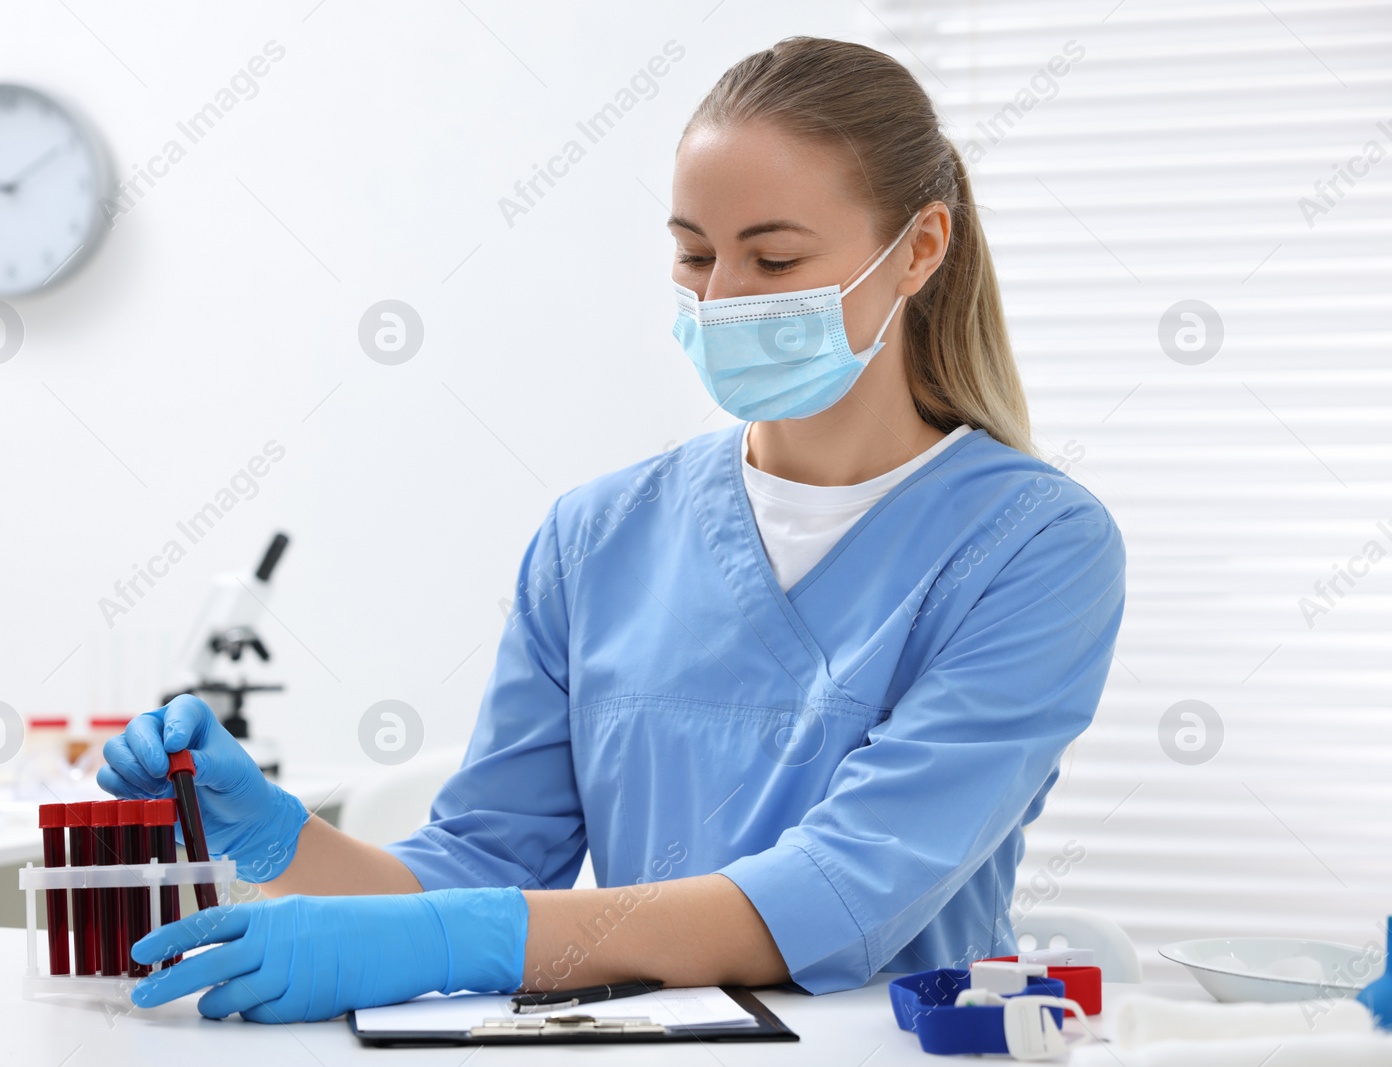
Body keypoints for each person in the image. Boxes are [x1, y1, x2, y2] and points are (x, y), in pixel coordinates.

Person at [101, 36, 1126, 1024]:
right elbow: (477, 870)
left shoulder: (1035, 546)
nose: (720, 299)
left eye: (772, 259)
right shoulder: (595, 537)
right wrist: (284, 839)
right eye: (693, 254)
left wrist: (461, 941)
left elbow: (839, 888)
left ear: (919, 250)